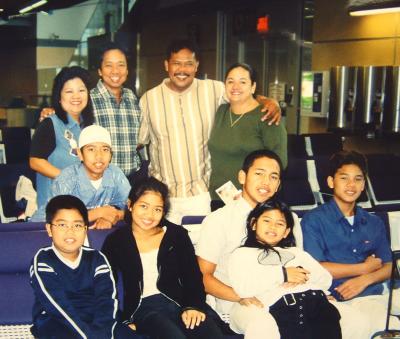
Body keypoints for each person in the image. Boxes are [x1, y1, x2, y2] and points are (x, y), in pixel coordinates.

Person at [196, 149, 368, 339]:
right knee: (263, 326)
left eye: (273, 177)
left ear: (278, 185)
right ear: (242, 177)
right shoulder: (219, 220)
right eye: (259, 174)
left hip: (290, 297)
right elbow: (203, 276)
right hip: (241, 301)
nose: (265, 182)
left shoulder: (290, 219)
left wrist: (316, 292)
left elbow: (298, 265)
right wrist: (240, 296)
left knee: (354, 321)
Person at [138, 39, 282, 224]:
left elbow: (242, 93)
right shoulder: (149, 99)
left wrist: (269, 101)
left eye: (189, 63)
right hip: (163, 197)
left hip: (203, 195)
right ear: (166, 65)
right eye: (176, 63)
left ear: (197, 65)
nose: (183, 69)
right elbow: (140, 140)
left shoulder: (214, 90)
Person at [101, 177, 224, 339]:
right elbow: (106, 285)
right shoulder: (116, 241)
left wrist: (193, 306)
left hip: (179, 302)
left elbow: (192, 276)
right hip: (142, 307)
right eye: (144, 206)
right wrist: (121, 319)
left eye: (157, 209)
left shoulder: (176, 235)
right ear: (130, 205)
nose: (150, 215)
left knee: (210, 334)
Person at [301, 150, 400, 336]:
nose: (351, 185)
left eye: (358, 179)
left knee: (390, 327)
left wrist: (365, 279)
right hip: (333, 298)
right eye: (344, 178)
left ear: (364, 185)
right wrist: (363, 268)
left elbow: (388, 265)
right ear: (331, 182)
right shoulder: (313, 220)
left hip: (371, 295)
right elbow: (318, 268)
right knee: (358, 326)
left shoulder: (373, 222)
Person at [228, 199, 341, 339]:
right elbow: (243, 287)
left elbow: (325, 279)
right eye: (267, 221)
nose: (273, 227)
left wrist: (300, 275)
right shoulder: (242, 254)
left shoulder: (297, 252)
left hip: (319, 304)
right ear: (253, 224)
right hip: (288, 307)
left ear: (286, 232)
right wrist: (283, 275)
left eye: (280, 224)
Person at [29, 195, 137, 339]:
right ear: (49, 229)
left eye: (77, 225)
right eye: (62, 225)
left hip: (96, 319)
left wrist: (102, 334)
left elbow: (107, 301)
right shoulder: (43, 260)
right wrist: (88, 336)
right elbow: (57, 305)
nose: (70, 231)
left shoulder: (97, 259)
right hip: (56, 319)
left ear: (85, 229)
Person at [40, 42, 143, 182]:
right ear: (100, 71)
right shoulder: (86, 100)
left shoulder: (132, 99)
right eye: (108, 65)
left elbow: (140, 140)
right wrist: (52, 111)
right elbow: (64, 121)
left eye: (121, 65)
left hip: (133, 179)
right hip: (100, 181)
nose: (115, 71)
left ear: (127, 70)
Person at [208, 63, 287, 206]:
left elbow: (279, 163)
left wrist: (255, 195)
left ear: (253, 87)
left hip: (253, 201)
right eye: (230, 81)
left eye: (243, 82)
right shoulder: (221, 111)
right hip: (218, 198)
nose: (235, 86)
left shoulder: (267, 115)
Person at [31, 125, 130, 228]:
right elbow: (58, 219)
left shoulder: (115, 175)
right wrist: (98, 213)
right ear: (80, 154)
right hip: (42, 231)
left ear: (111, 155)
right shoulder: (68, 178)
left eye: (105, 150)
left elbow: (132, 209)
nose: (99, 156)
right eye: (91, 149)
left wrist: (112, 217)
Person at [30, 66, 94, 210]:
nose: (76, 96)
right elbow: (35, 162)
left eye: (81, 90)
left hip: (83, 208)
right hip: (54, 210)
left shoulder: (89, 127)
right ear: (59, 97)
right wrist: (69, 178)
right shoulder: (50, 123)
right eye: (69, 91)